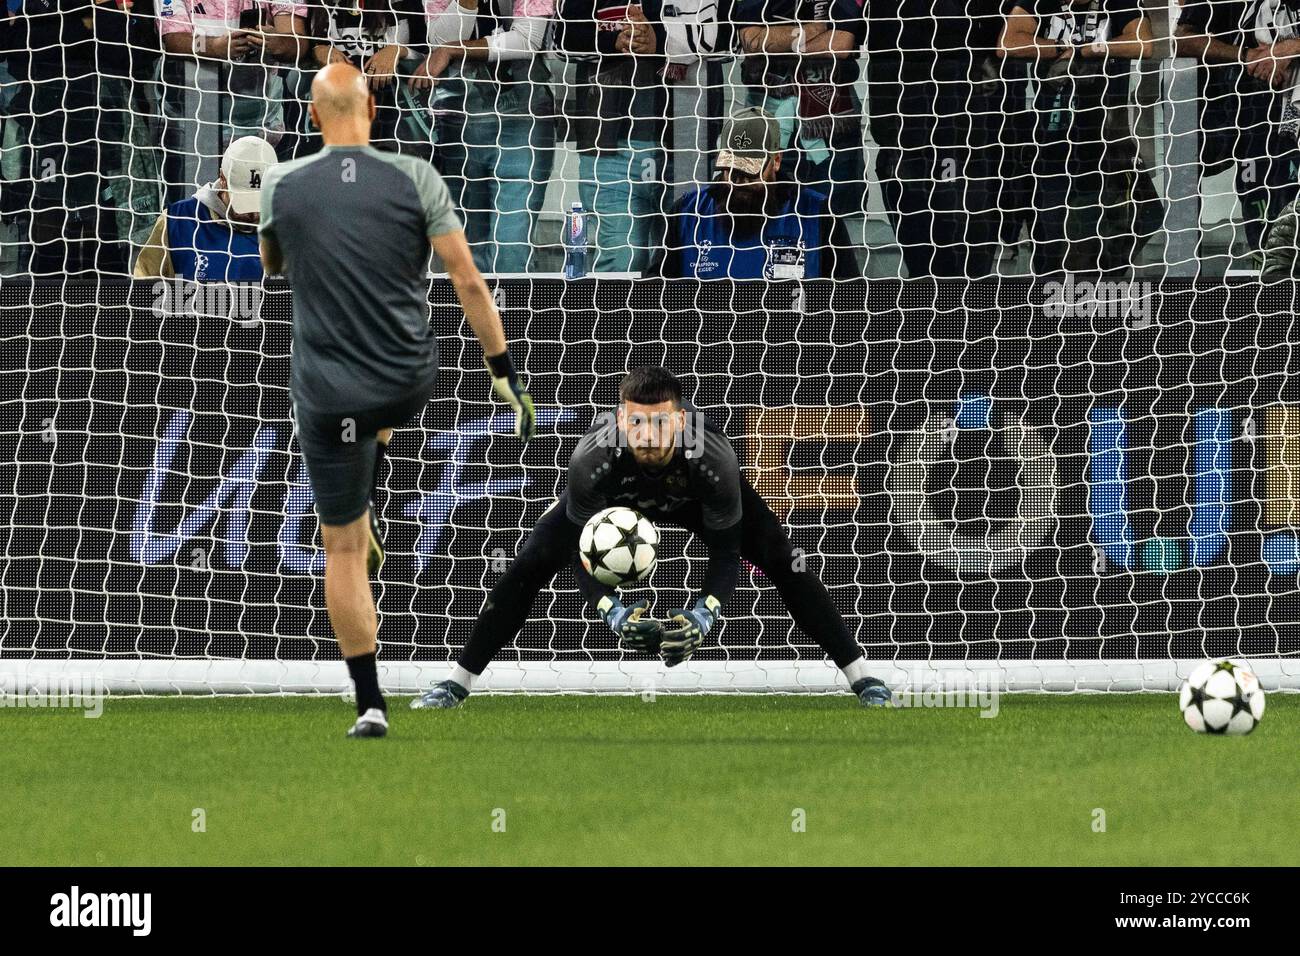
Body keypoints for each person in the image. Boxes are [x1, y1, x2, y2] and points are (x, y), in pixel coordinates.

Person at [257, 62, 536, 737]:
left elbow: (272, 267)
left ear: (313, 113)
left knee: (344, 550)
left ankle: (370, 704)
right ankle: (373, 471)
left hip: (329, 392)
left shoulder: (285, 187)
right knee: (379, 412)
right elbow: (467, 280)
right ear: (372, 112)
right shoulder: (417, 178)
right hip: (407, 380)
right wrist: (503, 372)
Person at [411, 366, 892, 710]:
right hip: (613, 509)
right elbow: (585, 553)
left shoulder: (714, 462)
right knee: (527, 566)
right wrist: (612, 610)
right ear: (622, 420)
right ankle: (456, 683)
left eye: (661, 421)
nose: (647, 433)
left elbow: (726, 555)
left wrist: (706, 613)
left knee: (785, 562)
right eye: (637, 421)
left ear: (680, 421)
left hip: (693, 502)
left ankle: (862, 676)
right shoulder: (591, 461)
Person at [998, 0, 1155, 275]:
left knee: (1146, 215)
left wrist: (1082, 51)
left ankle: (1104, 285)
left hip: (1106, 143)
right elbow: (1008, 43)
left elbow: (1143, 42)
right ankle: (1059, 304)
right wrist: (1060, 49)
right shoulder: (1037, 3)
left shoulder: (1117, 3)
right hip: (1053, 144)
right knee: (1055, 247)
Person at [417, 0, 556, 274]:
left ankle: (513, 316)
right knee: (467, 249)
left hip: (522, 117)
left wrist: (454, 49)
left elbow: (528, 41)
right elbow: (438, 39)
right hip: (459, 117)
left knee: (511, 248)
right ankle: (474, 317)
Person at [650, 106, 857, 279]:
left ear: (776, 161)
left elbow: (848, 304)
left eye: (749, 171)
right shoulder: (686, 213)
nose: (738, 181)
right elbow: (656, 302)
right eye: (730, 169)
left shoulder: (817, 213)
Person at [1176, 0, 1300, 260]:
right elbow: (1183, 39)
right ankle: (1269, 280)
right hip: (1257, 118)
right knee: (1264, 209)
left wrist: (1291, 48)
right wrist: (1249, 56)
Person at [553, 0, 667, 273]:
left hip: (686, 141)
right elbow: (561, 40)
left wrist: (659, 40)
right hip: (607, 139)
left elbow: (727, 39)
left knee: (682, 263)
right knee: (622, 262)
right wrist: (614, 39)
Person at [735, 0, 867, 222]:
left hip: (832, 117)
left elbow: (841, 42)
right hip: (768, 112)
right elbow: (752, 41)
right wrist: (812, 30)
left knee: (837, 219)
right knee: (764, 212)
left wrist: (784, 42)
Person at [134, 135, 278, 280]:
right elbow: (142, 286)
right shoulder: (177, 221)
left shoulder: (284, 228)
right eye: (244, 203)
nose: (253, 214)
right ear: (223, 180)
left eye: (261, 202)